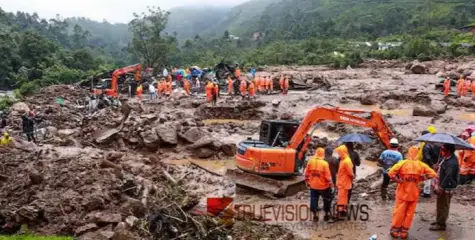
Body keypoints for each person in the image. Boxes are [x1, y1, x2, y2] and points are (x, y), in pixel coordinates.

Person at [388, 146, 437, 239]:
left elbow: (390, 173)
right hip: (414, 193)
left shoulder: (402, 163)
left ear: (409, 153)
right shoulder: (421, 165)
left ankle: (395, 230)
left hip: (402, 192)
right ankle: (404, 232)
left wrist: (397, 180)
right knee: (410, 213)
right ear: (417, 154)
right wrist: (422, 178)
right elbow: (433, 174)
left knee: (399, 211)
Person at [430, 144, 459, 231]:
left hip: (446, 187)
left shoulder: (452, 162)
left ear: (448, 151)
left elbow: (448, 176)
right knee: (440, 204)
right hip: (441, 184)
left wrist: (441, 187)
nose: (441, 151)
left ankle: (441, 224)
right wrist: (437, 166)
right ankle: (438, 220)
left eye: (443, 149)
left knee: (444, 205)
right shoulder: (446, 159)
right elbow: (442, 170)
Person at [305, 148, 334, 222]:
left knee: (313, 200)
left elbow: (306, 173)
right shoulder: (324, 163)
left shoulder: (310, 161)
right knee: (326, 200)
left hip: (313, 186)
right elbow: (328, 176)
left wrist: (307, 182)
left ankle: (315, 216)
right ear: (323, 154)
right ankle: (326, 215)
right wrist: (331, 185)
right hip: (323, 186)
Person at [335, 145, 354, 219]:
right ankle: (343, 211)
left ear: (342, 152)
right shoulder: (344, 160)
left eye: (339, 152)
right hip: (343, 182)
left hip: (343, 182)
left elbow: (350, 173)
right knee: (344, 197)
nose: (338, 154)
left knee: (341, 198)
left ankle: (339, 213)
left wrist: (353, 176)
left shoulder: (346, 161)